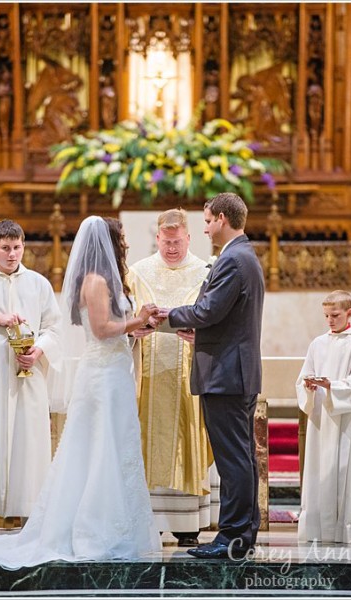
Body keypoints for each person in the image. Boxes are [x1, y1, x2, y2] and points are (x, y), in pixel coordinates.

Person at [0, 216, 162, 567]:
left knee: (113, 449)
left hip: (112, 372)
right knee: (99, 449)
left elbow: (65, 329)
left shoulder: (59, 282)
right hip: (97, 377)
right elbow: (101, 330)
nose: (126, 244)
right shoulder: (95, 280)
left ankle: (114, 524)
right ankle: (92, 528)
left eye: (17, 247)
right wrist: (137, 319)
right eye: (122, 239)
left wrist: (137, 329)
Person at [158, 192, 264, 559]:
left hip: (226, 373)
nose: (205, 229)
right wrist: (199, 331)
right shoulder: (243, 255)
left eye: (207, 221)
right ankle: (244, 533)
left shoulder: (233, 259)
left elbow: (208, 311)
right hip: (234, 370)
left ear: (221, 218)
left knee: (233, 459)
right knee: (242, 456)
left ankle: (232, 536)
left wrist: (167, 316)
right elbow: (225, 317)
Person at [128, 208, 216, 547]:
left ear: (189, 238)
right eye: (166, 242)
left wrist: (201, 335)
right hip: (148, 378)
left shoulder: (205, 273)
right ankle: (149, 521)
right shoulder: (138, 272)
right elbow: (125, 320)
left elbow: (216, 320)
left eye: (177, 242)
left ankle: (187, 525)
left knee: (186, 437)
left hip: (188, 377)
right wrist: (135, 330)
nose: (172, 248)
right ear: (157, 239)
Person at [0, 219, 62, 541]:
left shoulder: (38, 284)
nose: (12, 254)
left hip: (27, 377)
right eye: (6, 248)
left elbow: (54, 327)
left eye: (17, 247)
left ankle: (30, 516)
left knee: (28, 442)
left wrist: (38, 350)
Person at [295, 290, 351, 544]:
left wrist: (331, 386)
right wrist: (309, 386)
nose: (330, 320)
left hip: (343, 421)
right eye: (326, 315)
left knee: (342, 470)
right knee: (317, 471)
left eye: (335, 315)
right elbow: (303, 377)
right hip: (320, 419)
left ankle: (344, 530)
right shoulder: (317, 343)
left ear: (349, 313)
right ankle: (315, 529)